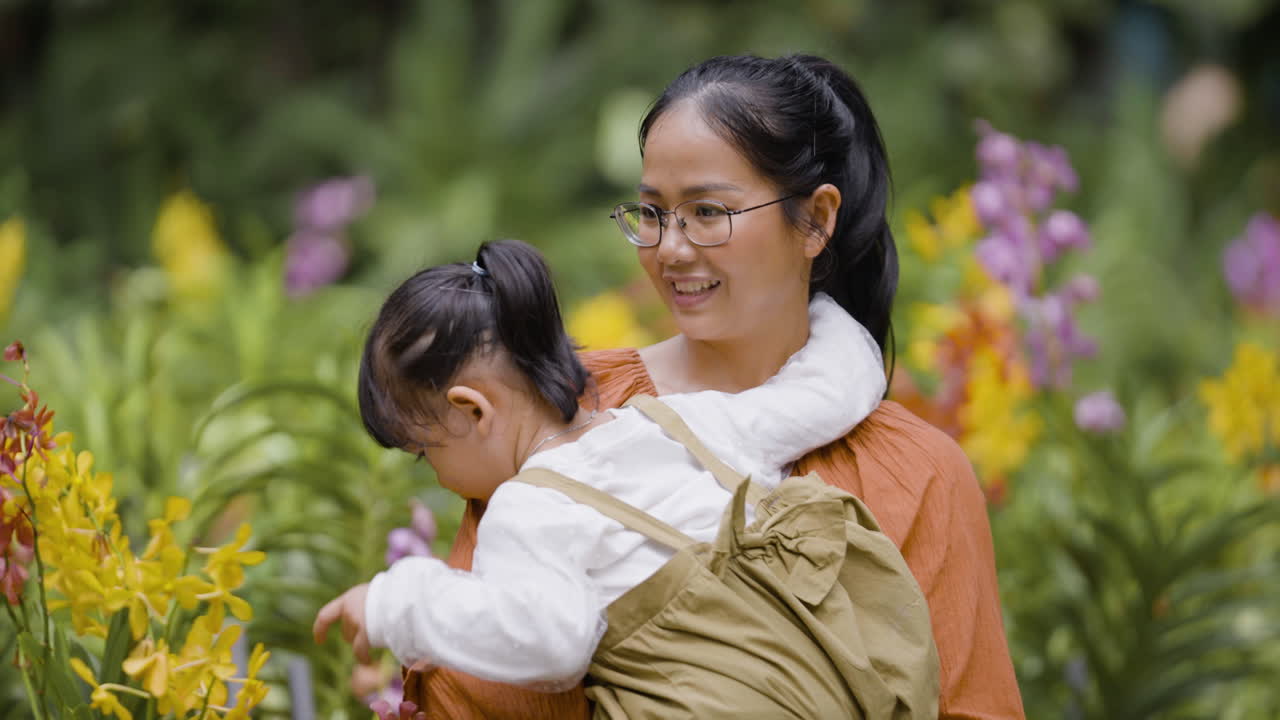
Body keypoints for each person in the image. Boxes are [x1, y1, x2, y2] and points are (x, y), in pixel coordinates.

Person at [397, 52, 1027, 720]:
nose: (670, 248)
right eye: (652, 212)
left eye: (707, 211)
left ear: (816, 219)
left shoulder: (917, 474)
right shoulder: (561, 409)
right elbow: (472, 684)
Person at [312, 238, 920, 700]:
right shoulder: (681, 423)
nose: (440, 479)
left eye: (427, 452)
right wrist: (819, 308)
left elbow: (550, 641)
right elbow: (834, 390)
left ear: (473, 410)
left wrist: (396, 604)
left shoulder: (527, 509)